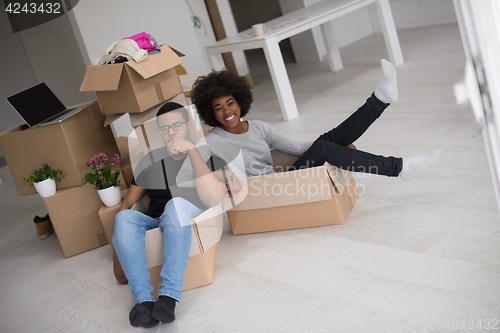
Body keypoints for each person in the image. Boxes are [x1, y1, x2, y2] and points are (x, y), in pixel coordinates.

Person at [176, 60, 440, 191]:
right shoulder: (212, 141)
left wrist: (340, 147)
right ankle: (398, 166)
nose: (226, 112)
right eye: (218, 108)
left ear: (239, 102)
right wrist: (220, 178)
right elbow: (184, 180)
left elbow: (301, 148)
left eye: (230, 103)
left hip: (283, 179)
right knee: (325, 146)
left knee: (325, 142)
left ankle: (381, 100)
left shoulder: (258, 127)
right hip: (267, 192)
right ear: (211, 114)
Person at [112, 102, 228, 328]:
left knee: (175, 205)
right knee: (123, 217)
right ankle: (144, 302)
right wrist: (117, 255)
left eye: (176, 126)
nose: (171, 132)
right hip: (156, 221)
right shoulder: (150, 160)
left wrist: (191, 151)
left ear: (188, 125)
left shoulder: (208, 153)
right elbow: (127, 204)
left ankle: (168, 298)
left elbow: (213, 199)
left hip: (187, 216)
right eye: (165, 129)